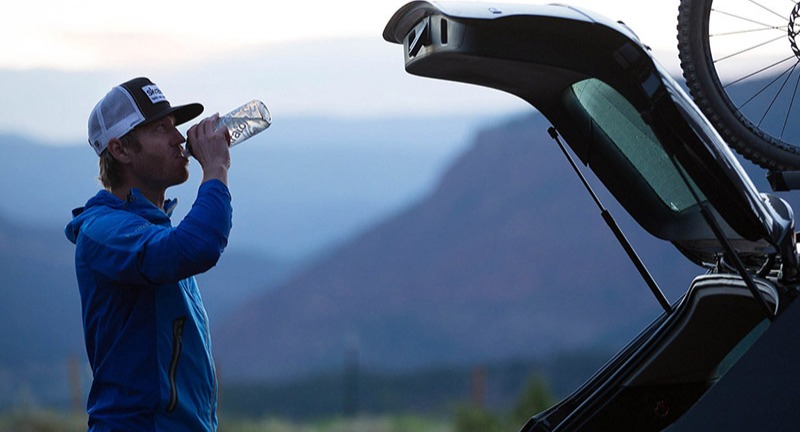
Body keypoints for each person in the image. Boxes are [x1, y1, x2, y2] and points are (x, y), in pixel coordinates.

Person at [65, 77, 232, 431]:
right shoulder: (103, 232)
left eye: (175, 125)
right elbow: (198, 246)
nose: (179, 137)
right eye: (160, 128)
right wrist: (216, 169)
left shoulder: (154, 228)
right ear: (120, 150)